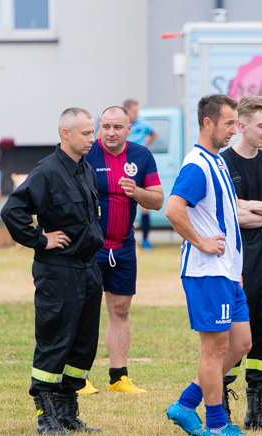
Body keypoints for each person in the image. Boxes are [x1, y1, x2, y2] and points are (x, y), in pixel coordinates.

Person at [0, 107, 104, 435]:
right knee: (55, 340)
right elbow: (12, 211)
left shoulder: (85, 170)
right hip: (59, 272)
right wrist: (39, 240)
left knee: (83, 345)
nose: (93, 138)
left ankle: (67, 409)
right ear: (66, 134)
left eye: (93, 132)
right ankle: (46, 415)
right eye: (86, 133)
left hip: (88, 269)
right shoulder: (46, 172)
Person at [164, 94, 255, 436]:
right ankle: (216, 425)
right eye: (229, 123)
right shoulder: (197, 165)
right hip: (206, 272)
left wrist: (235, 266)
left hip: (227, 273)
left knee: (241, 343)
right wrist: (201, 242)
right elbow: (173, 209)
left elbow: (224, 218)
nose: (235, 129)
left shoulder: (215, 161)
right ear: (208, 123)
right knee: (214, 350)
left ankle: (186, 404)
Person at [219, 94, 262, 431]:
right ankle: (220, 399)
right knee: (233, 333)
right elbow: (230, 215)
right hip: (237, 259)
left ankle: (258, 406)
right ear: (241, 125)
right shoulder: (222, 163)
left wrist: (254, 209)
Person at [81, 106, 163, 395]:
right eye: (105, 127)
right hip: (91, 247)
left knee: (121, 309)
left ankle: (119, 377)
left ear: (130, 129)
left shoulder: (141, 156)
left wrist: (136, 192)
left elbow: (157, 201)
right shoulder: (86, 154)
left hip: (125, 246)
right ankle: (79, 377)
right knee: (85, 310)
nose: (111, 133)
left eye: (117, 127)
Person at [123, 99, 157, 249]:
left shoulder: (143, 124)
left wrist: (145, 147)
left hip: (139, 166)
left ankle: (146, 239)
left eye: (138, 111)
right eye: (134, 111)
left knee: (144, 204)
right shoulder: (120, 127)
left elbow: (154, 133)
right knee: (123, 202)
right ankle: (125, 237)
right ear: (126, 110)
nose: (137, 114)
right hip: (124, 165)